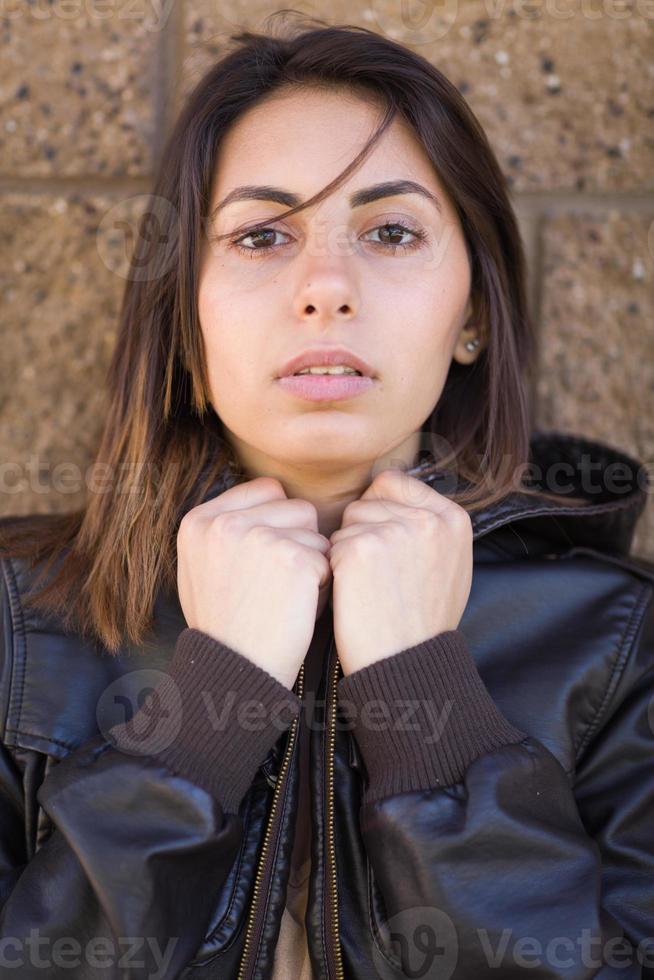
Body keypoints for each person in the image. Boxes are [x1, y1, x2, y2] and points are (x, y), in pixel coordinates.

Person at [0, 15, 653, 980]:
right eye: (263, 235)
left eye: (391, 231)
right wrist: (206, 716)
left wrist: (427, 698)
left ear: (473, 312)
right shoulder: (20, 623)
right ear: (185, 317)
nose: (326, 288)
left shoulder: (621, 644)